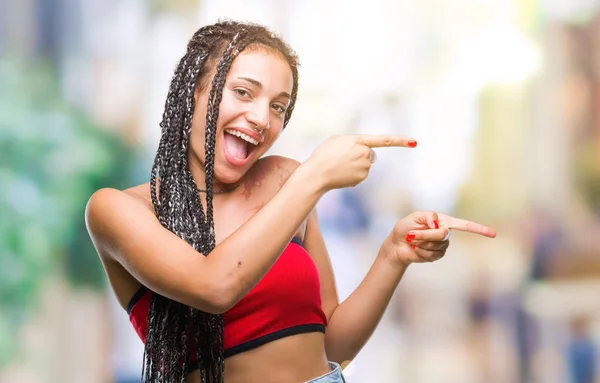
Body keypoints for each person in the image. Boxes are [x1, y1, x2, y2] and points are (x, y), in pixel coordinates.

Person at [85, 20, 496, 383]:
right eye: (244, 92)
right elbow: (213, 286)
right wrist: (314, 176)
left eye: (278, 107)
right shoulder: (119, 210)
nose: (263, 119)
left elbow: (331, 346)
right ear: (192, 91)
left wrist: (393, 253)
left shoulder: (284, 180)